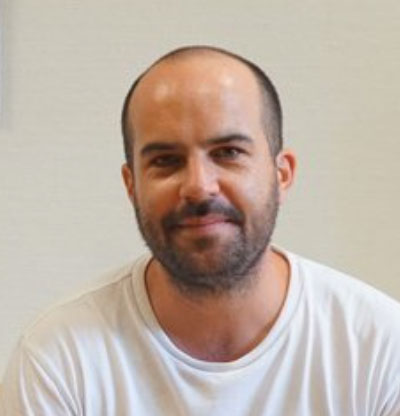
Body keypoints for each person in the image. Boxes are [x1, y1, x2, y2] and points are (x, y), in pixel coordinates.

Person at [2, 45, 400, 415]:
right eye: (166, 160)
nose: (198, 186)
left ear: (282, 175)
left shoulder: (379, 347)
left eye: (228, 153)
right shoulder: (60, 357)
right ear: (131, 185)